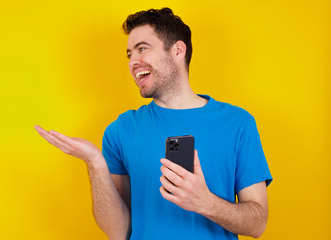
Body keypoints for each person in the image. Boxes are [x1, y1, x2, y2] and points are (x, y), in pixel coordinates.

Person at [35, 8, 272, 240]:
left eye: (142, 49)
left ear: (178, 51)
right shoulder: (121, 130)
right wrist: (95, 163)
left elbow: (257, 224)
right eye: (129, 55)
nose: (132, 62)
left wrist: (205, 202)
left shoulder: (238, 124)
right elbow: (117, 231)